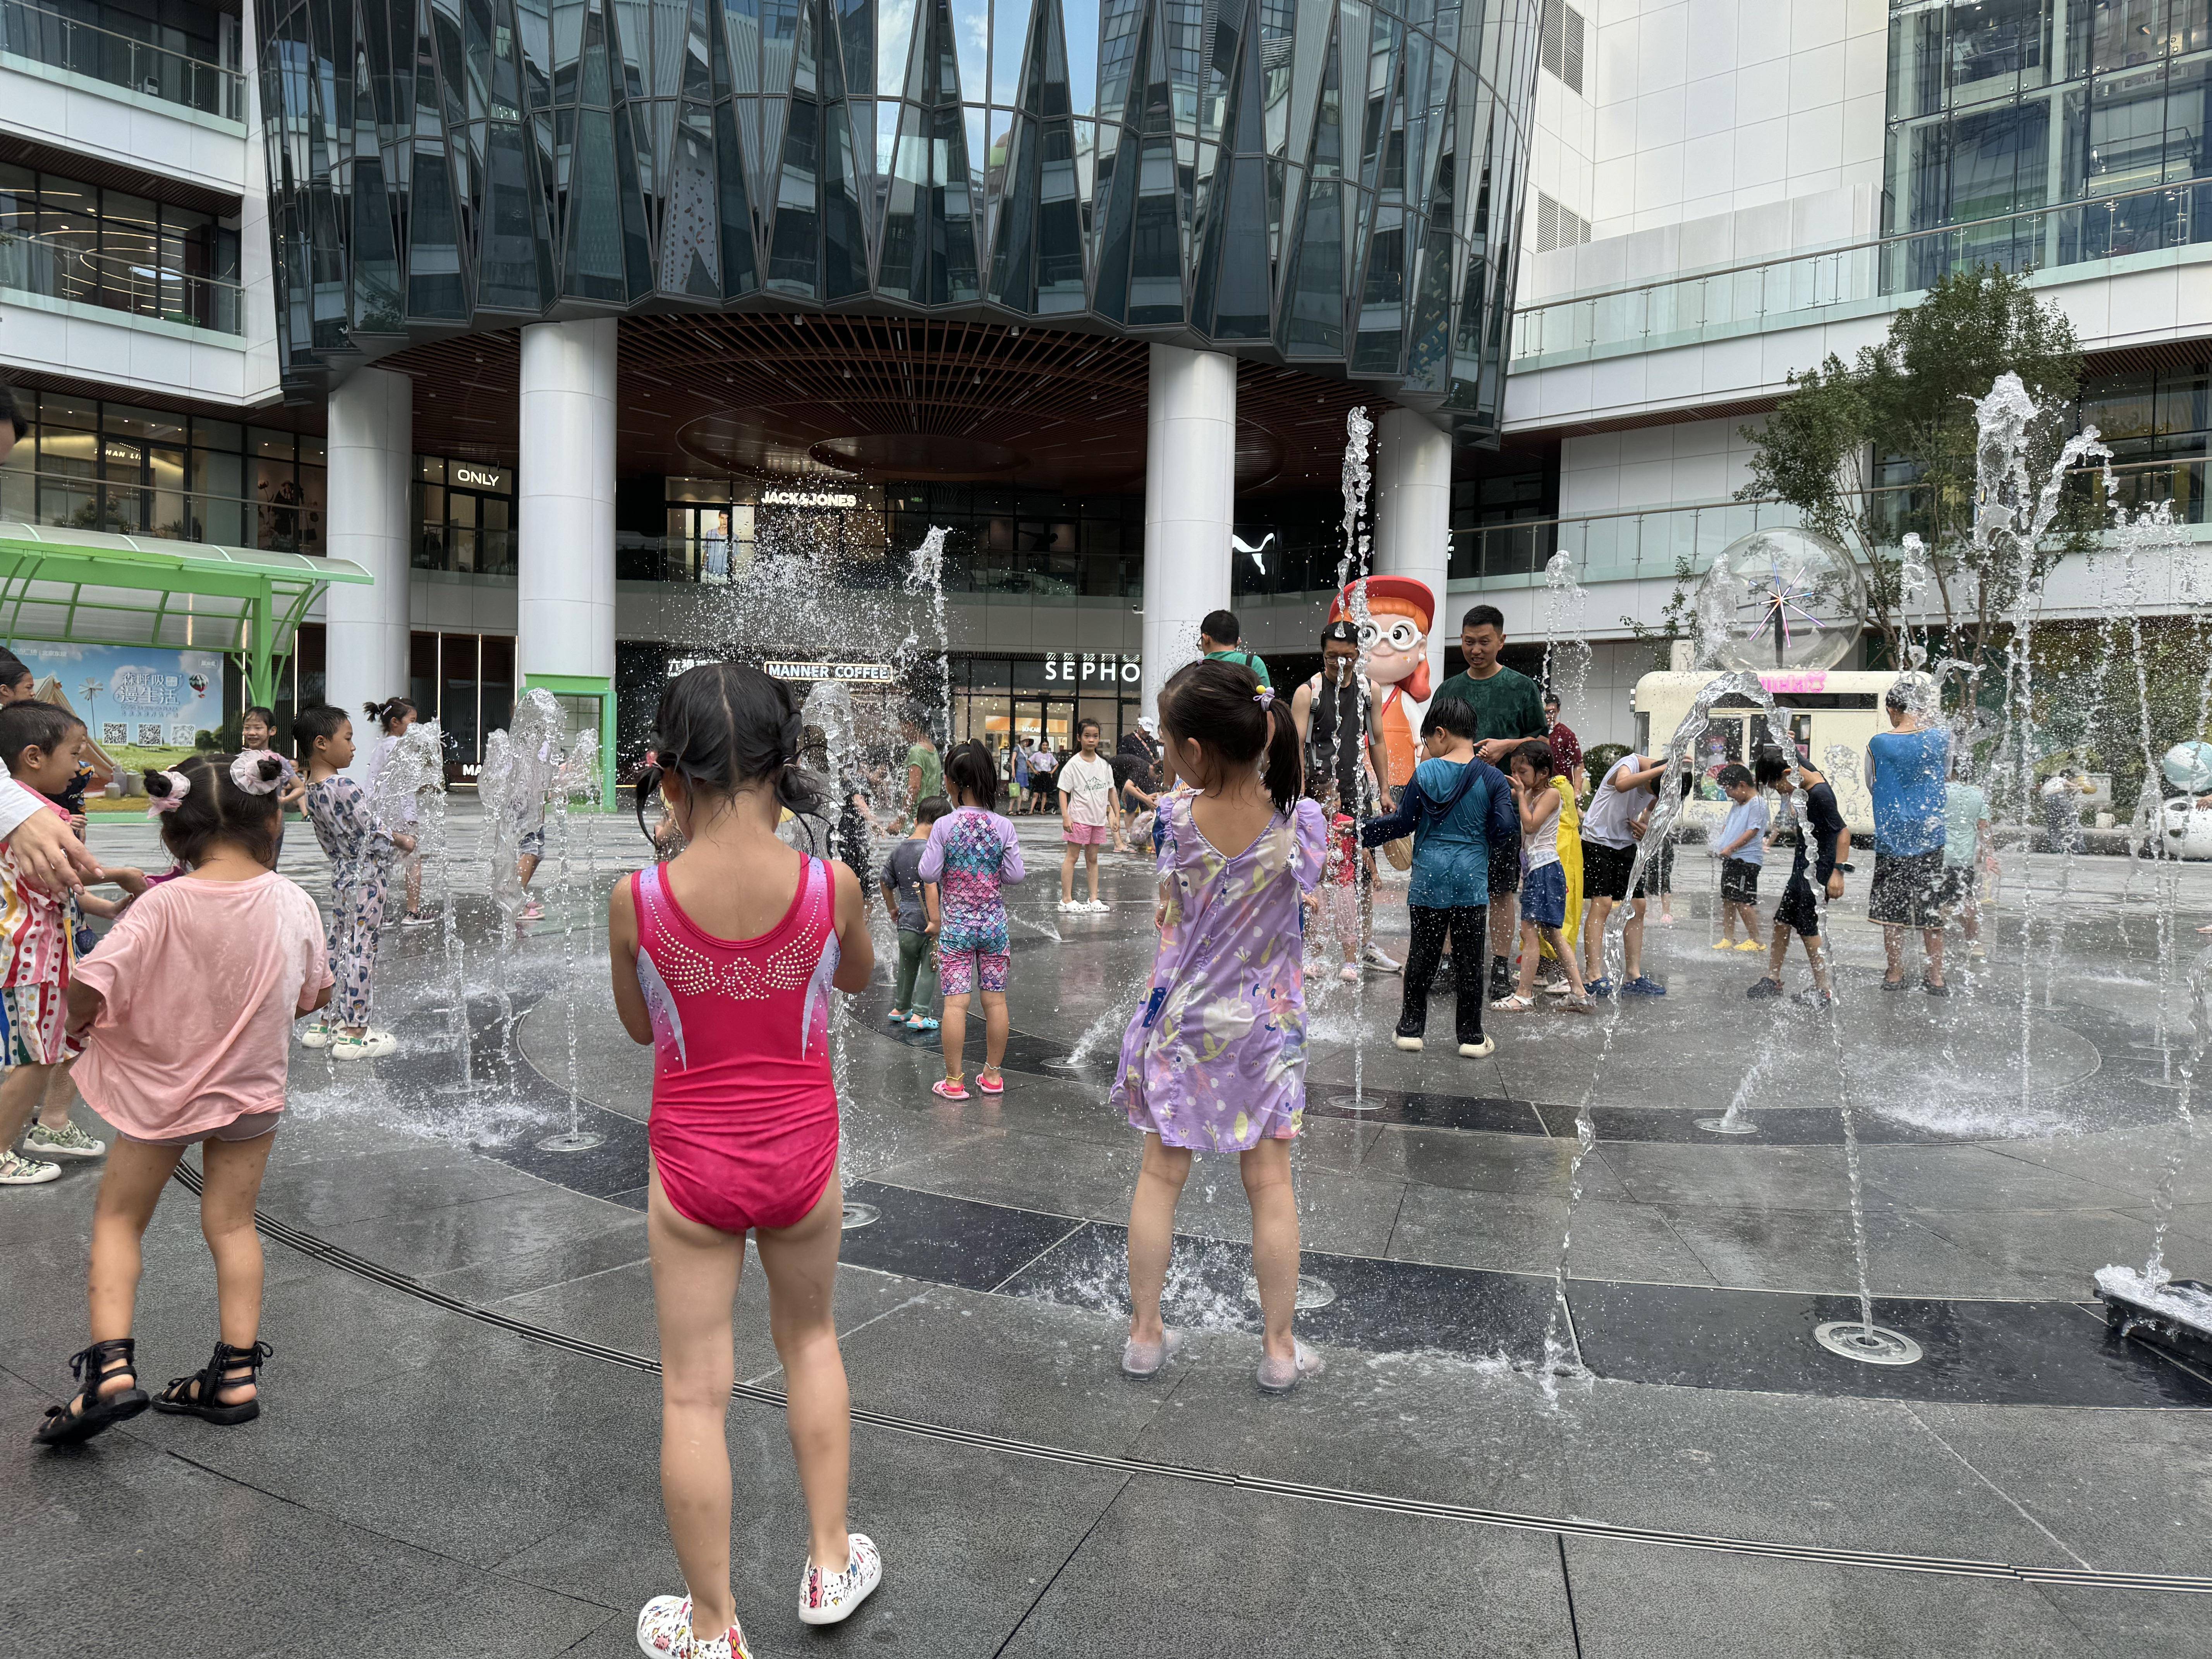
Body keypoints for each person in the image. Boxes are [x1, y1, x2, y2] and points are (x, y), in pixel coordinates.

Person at [610, 664, 880, 1655]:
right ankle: (827, 1562)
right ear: (787, 765)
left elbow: (642, 1029)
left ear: (668, 776)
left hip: (690, 1169)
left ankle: (715, 1624)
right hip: (804, 1159)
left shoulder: (636, 898)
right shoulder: (829, 885)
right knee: (811, 1341)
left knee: (692, 1390)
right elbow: (854, 978)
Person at [33, 750, 330, 1444]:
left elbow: (94, 979)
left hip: (163, 1094)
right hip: (254, 1094)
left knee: (118, 1221)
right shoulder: (295, 901)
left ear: (175, 832)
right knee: (232, 1226)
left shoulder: (162, 903)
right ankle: (235, 1376)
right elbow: (315, 994)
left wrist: (78, 1021)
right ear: (272, 825)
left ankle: (109, 1371)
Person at [1115, 660, 1323, 1393]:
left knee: (1158, 1176)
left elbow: (1168, 906)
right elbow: (1309, 907)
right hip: (1265, 1030)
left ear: (1196, 751)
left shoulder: (1173, 818)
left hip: (1183, 1024)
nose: (1163, 756)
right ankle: (1278, 1346)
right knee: (1269, 1182)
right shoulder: (1301, 822)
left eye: (1168, 743)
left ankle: (1144, 1333)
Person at [0, 705, 144, 1187]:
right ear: (34, 756)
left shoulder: (15, 806)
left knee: (46, 1051)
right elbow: (66, 870)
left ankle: (50, 1128)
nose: (82, 766)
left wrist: (101, 907)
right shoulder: (33, 814)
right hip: (30, 958)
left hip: (32, 952)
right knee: (35, 1060)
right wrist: (124, 876)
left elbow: (50, 885)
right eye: (76, 754)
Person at [1360, 698, 1514, 1057]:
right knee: (1469, 961)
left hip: (1430, 877)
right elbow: (1506, 827)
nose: (1426, 749)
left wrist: (1360, 833)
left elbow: (1403, 823)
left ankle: (1411, 1030)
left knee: (1423, 956)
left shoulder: (1426, 775)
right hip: (1470, 880)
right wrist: (1481, 840)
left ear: (1441, 734)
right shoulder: (1492, 778)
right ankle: (1471, 1038)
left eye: (1427, 742)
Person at [1429, 605, 1547, 1001]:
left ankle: (1498, 968)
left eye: (1484, 642)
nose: (1476, 650)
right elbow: (1432, 744)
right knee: (1449, 885)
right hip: (1453, 808)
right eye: (1468, 642)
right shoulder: (1448, 690)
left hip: (1502, 809)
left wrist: (1507, 746)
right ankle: (1449, 964)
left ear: (1501, 641)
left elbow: (1543, 745)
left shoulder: (1522, 688)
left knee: (1499, 891)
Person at [296, 705, 410, 1058]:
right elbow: (372, 826)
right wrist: (402, 840)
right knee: (363, 949)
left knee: (338, 947)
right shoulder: (343, 785)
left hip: (342, 874)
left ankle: (325, 1023)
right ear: (321, 744)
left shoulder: (310, 790)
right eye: (348, 739)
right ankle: (356, 1032)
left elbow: (328, 841)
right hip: (368, 878)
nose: (354, 747)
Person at [1291, 621, 1401, 972]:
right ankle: (1312, 945)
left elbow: (1378, 740)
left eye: (1348, 657)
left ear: (1358, 654)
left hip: (1355, 793)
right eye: (1331, 657)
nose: (1340, 664)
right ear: (1322, 654)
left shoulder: (1371, 690)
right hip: (1316, 795)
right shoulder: (1308, 692)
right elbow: (1295, 746)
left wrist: (1384, 789)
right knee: (1315, 870)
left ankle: (1364, 943)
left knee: (1361, 870)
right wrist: (1298, 794)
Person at [921, 742, 1025, 1099]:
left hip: (957, 930)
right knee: (996, 1002)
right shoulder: (1003, 826)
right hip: (994, 927)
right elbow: (1015, 876)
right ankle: (993, 1076)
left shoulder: (945, 826)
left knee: (955, 1005)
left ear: (951, 783)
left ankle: (954, 1081)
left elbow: (928, 871)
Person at [1491, 740, 1593, 1014]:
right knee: (1552, 934)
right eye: (1515, 771)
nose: (1518, 778)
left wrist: (1521, 795)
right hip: (1540, 872)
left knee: (1530, 931)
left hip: (1546, 871)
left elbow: (1531, 824)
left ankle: (1524, 994)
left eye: (1523, 772)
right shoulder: (1536, 794)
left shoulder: (1551, 795)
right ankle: (1580, 993)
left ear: (1544, 772)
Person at [1866, 682, 1950, 994]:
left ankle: (1895, 973)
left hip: (1892, 839)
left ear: (1892, 709)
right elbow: (1947, 775)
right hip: (1932, 837)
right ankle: (1937, 977)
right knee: (1933, 910)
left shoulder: (1879, 743)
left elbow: (1872, 784)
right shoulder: (1941, 739)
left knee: (1892, 914)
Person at [1746, 749, 1844, 1006]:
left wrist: (1838, 872)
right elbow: (1795, 758)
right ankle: (1773, 978)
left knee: (1808, 928)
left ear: (1788, 774)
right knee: (1781, 921)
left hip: (1818, 871)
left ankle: (1824, 989)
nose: (1779, 791)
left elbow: (1843, 833)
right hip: (1801, 868)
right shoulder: (1805, 774)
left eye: (1777, 785)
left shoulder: (1820, 796)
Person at [1580, 749, 1669, 997]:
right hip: (1597, 841)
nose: (1654, 797)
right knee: (1603, 904)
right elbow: (1621, 785)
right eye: (1656, 791)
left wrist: (1645, 829)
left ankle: (1633, 976)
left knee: (1638, 905)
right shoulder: (1628, 764)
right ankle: (1593, 975)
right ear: (1652, 776)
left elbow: (1651, 814)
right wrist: (1663, 770)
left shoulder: (1656, 781)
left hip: (1624, 843)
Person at [360, 697, 433, 925]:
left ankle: (378, 912)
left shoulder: (384, 745)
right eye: (412, 721)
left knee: (382, 861)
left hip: (383, 811)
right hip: (400, 813)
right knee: (413, 859)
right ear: (395, 722)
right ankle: (412, 912)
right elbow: (415, 778)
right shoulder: (397, 746)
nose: (416, 727)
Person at [882, 795, 946, 1033]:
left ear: (917, 820)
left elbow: (885, 882)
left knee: (907, 966)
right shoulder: (930, 850)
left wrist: (892, 908)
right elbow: (930, 885)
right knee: (930, 966)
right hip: (926, 923)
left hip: (905, 921)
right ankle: (921, 1014)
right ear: (938, 826)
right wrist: (936, 921)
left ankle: (900, 1009)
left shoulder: (899, 849)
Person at [1057, 718, 1120, 912]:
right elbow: (1063, 791)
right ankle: (1066, 900)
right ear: (1079, 738)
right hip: (1078, 819)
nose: (1091, 740)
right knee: (1073, 857)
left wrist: (1117, 814)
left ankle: (1094, 899)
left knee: (1093, 859)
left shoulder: (1104, 765)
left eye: (1095, 736)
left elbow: (1112, 791)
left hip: (1098, 821)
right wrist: (1066, 816)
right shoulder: (1073, 764)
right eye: (1087, 736)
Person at [1709, 763, 1769, 950]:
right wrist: (1720, 842)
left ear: (1742, 785)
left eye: (1729, 789)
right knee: (1728, 899)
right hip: (1733, 858)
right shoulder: (1738, 804)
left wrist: (1731, 848)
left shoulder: (1757, 804)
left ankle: (1756, 941)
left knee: (1744, 901)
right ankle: (1729, 938)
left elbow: (1752, 831)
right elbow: (1730, 827)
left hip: (1747, 860)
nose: (1728, 794)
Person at [1942, 766, 1992, 961]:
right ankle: (1974, 943)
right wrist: (1989, 855)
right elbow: (1984, 827)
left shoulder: (1941, 790)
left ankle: (1937, 942)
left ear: (1952, 772)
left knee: (1938, 900)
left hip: (1942, 854)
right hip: (1966, 856)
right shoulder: (1978, 795)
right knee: (1968, 899)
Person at [1198, 608, 1271, 688]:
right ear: (1237, 641)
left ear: (1206, 639)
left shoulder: (1195, 670)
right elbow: (1266, 698)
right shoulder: (1253, 663)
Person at [1542, 694, 1587, 797]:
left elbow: (1579, 765)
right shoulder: (1537, 732)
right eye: (1545, 712)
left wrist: (1577, 792)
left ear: (1558, 711)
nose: (1548, 716)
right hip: (1541, 789)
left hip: (1562, 790)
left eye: (1552, 712)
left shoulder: (1566, 734)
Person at [2040, 767, 2092, 853]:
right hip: (2059, 796)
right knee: (2072, 821)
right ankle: (2079, 848)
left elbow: (2055, 795)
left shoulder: (2044, 788)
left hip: (2049, 801)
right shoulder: (2058, 779)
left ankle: (2055, 848)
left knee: (2054, 825)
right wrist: (2079, 787)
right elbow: (2071, 787)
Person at [1025, 737, 1056, 815]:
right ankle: (1031, 810)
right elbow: (1029, 761)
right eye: (1043, 745)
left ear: (1048, 746)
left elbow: (1056, 764)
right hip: (1039, 774)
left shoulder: (1050, 755)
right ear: (1041, 746)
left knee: (1044, 794)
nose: (1045, 747)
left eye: (1046, 745)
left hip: (1046, 775)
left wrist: (1052, 772)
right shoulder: (1037, 755)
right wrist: (1034, 770)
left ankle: (1042, 810)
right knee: (1036, 793)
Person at [1010, 735, 1031, 812]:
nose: (1026, 743)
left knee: (1021, 792)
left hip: (1024, 772)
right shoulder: (1017, 749)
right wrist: (1013, 771)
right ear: (1022, 741)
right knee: (1016, 792)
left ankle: (1018, 809)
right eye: (1025, 741)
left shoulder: (1024, 750)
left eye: (1027, 741)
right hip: (1019, 772)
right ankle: (1011, 809)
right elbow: (1013, 760)